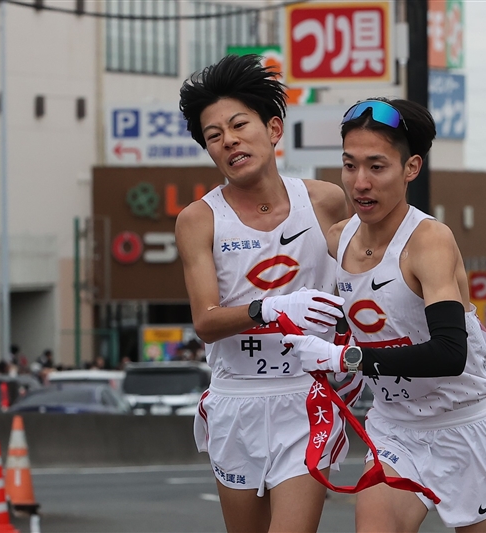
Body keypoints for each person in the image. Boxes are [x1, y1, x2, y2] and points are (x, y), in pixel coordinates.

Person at [282, 98, 486, 533]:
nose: (360, 183)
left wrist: (345, 359)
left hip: (465, 424)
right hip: (396, 430)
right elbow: (350, 322)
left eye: (377, 167)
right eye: (349, 165)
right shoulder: (339, 238)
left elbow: (449, 353)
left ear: (411, 168)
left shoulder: (429, 241)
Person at [175, 54, 349, 533]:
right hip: (237, 399)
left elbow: (359, 283)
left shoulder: (325, 200)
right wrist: (267, 308)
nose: (229, 140)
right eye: (214, 136)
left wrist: (351, 352)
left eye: (238, 125)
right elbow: (206, 321)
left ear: (273, 129)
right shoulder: (199, 219)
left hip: (305, 395)